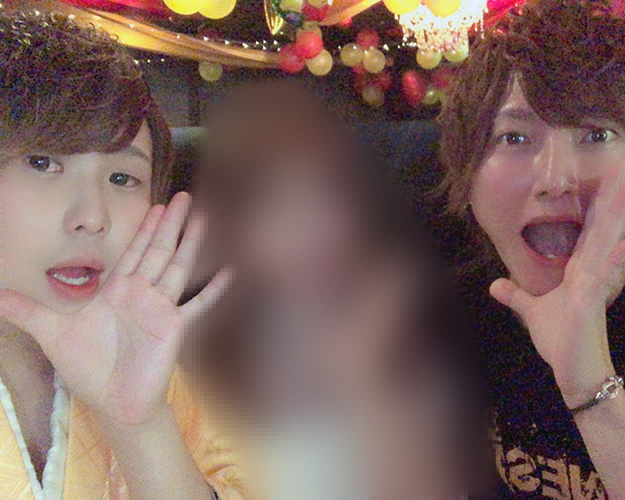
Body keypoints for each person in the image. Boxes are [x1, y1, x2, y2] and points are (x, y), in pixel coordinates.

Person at [438, 1, 625, 499]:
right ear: (467, 180)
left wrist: (588, 384)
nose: (556, 179)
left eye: (597, 134)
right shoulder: (440, 321)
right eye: (514, 137)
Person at [184, 81, 490, 500]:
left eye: (328, 197)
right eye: (277, 205)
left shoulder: (407, 329)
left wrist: (364, 379)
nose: (311, 229)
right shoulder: (201, 351)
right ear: (232, 224)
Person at [0, 11, 245, 500]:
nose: (93, 217)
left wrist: (140, 426)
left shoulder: (164, 371)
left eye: (121, 178)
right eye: (42, 162)